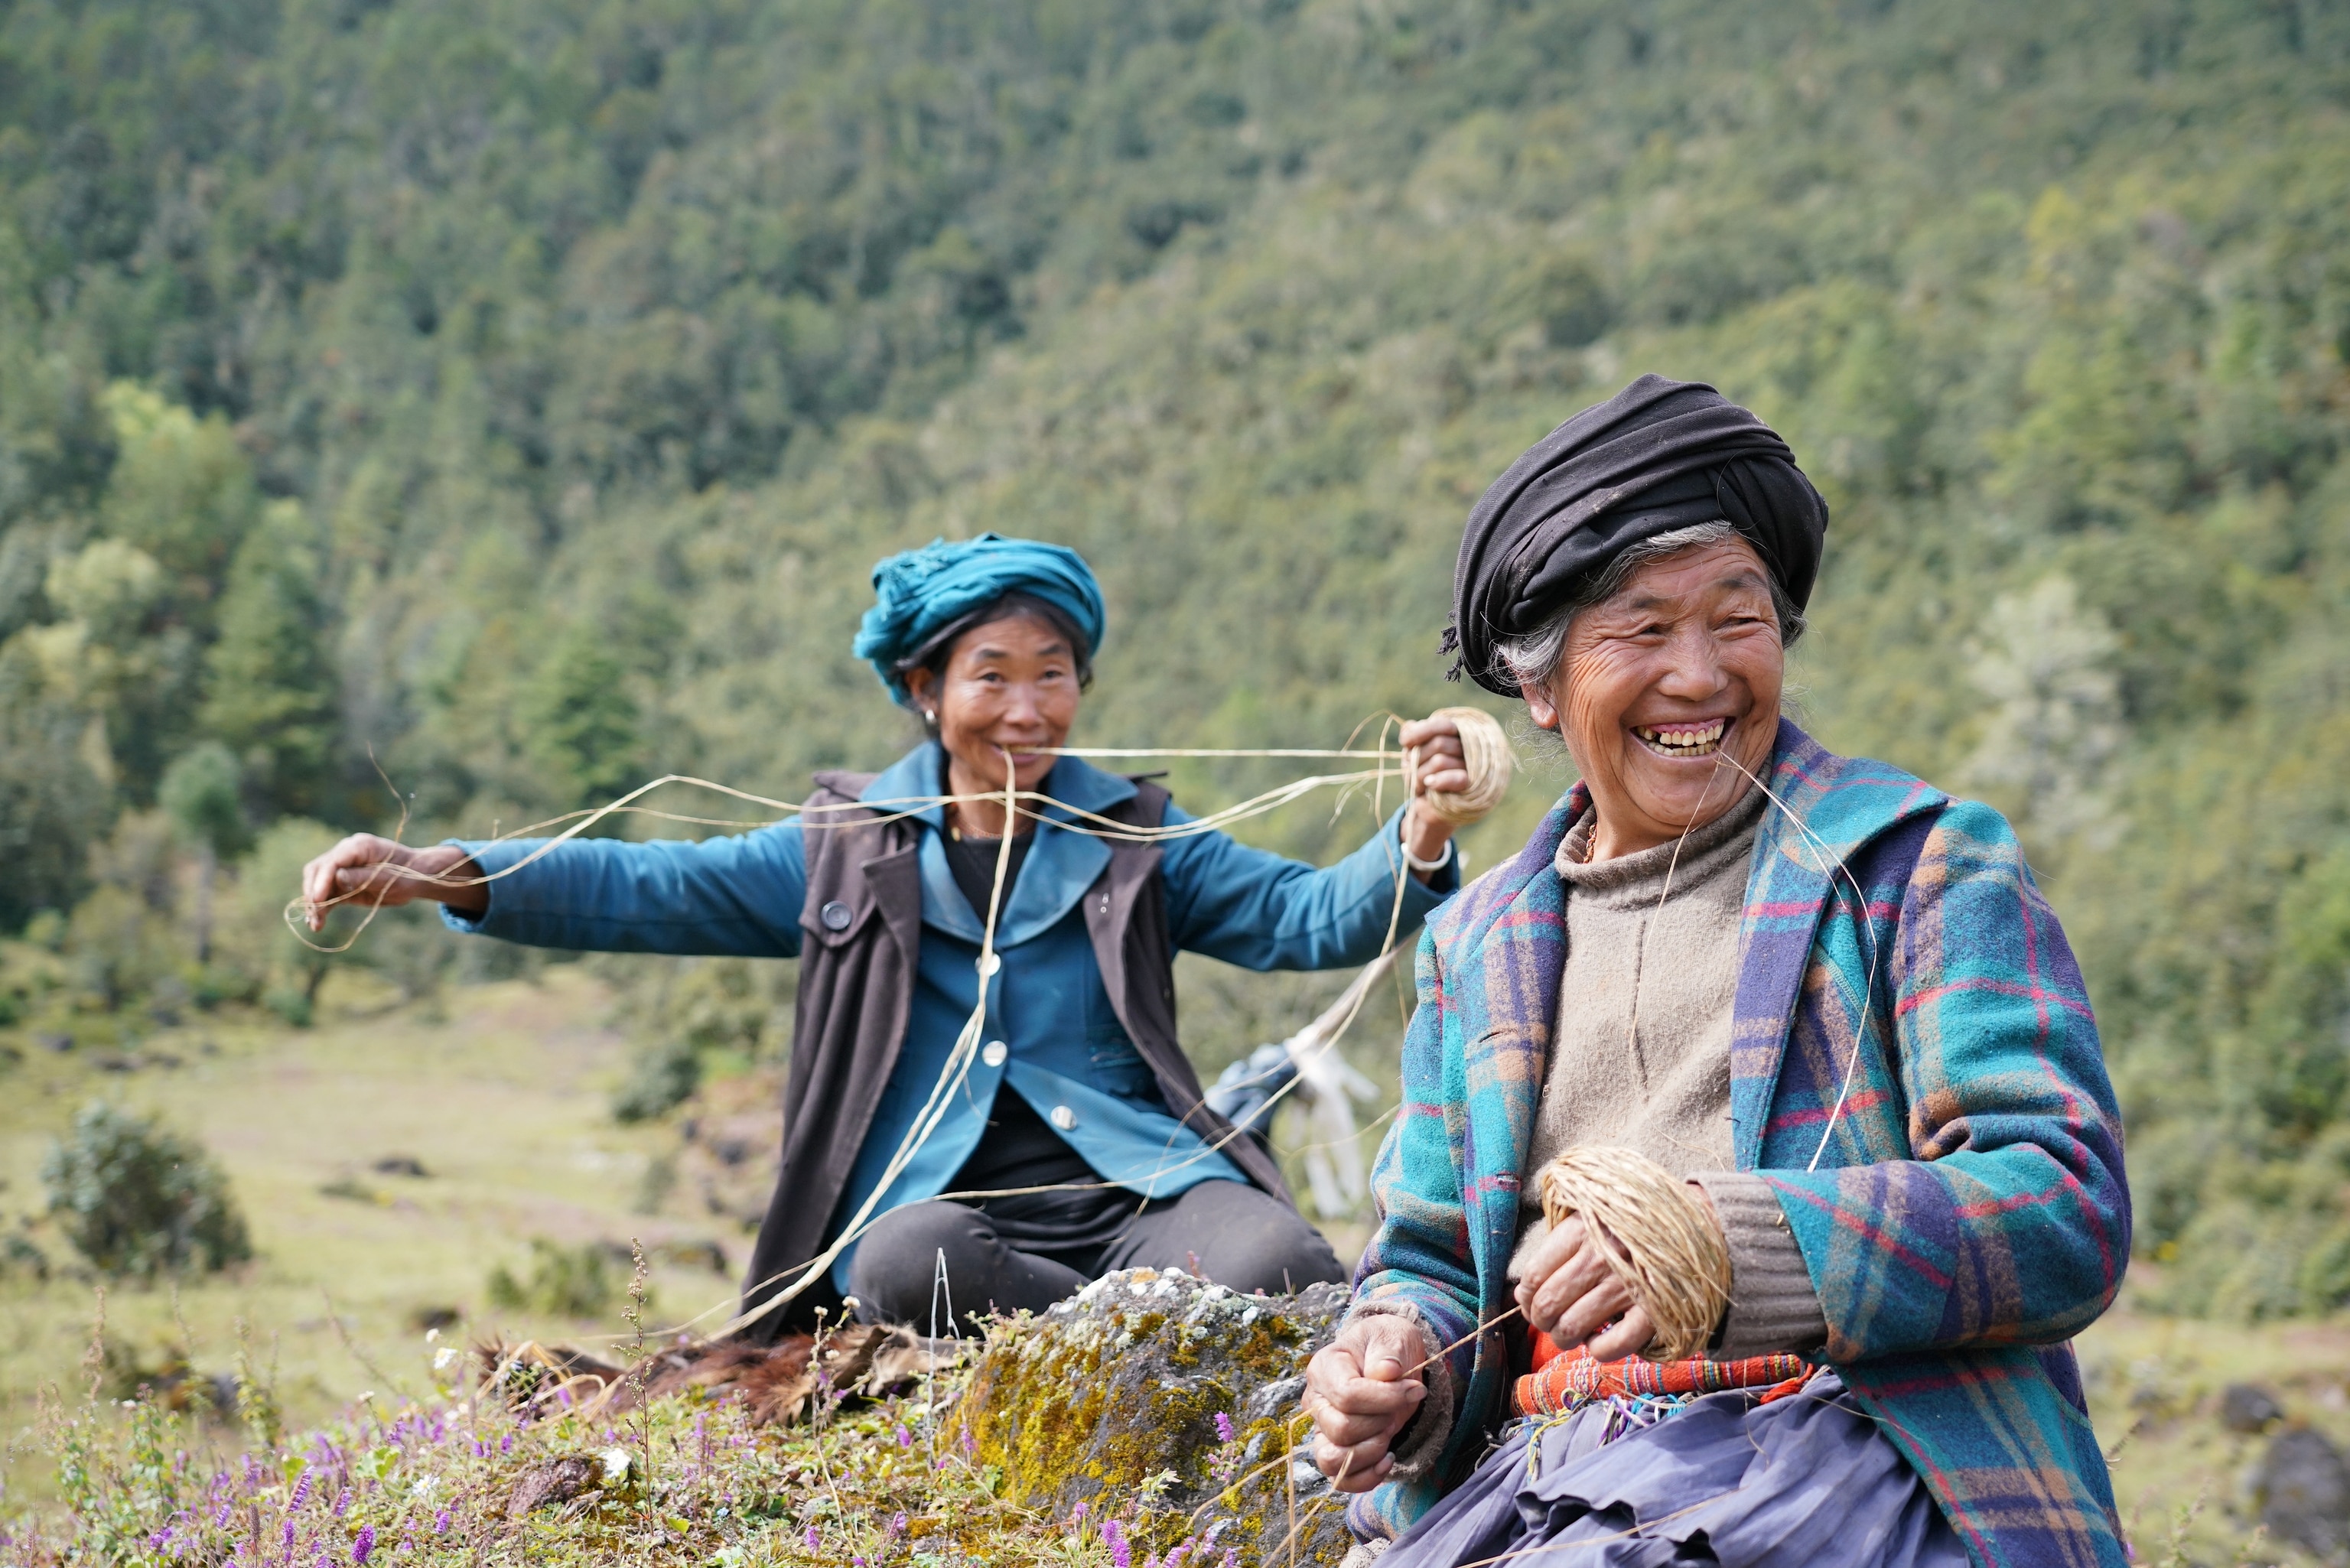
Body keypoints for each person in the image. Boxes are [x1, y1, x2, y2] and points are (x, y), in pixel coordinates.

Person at [1302, 376, 2130, 1566]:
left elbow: (2063, 1205)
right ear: (1540, 685)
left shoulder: (1917, 865)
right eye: (1641, 630)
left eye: (1736, 620)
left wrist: (1718, 1243)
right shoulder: (1475, 943)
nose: (1698, 676)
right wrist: (1393, 1365)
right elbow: (1435, 1261)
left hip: (1843, 1453)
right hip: (1546, 1472)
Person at [302, 534, 1469, 1338]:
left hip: (1141, 1193)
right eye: (991, 674)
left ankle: (1121, 1315)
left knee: (1279, 1262)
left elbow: (1307, 918)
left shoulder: (1138, 837)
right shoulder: (844, 846)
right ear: (923, 687)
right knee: (905, 1266)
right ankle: (1132, 1326)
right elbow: (648, 884)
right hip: (952, 1214)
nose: (1027, 706)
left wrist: (1417, 833)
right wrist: (440, 872)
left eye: (1054, 674)